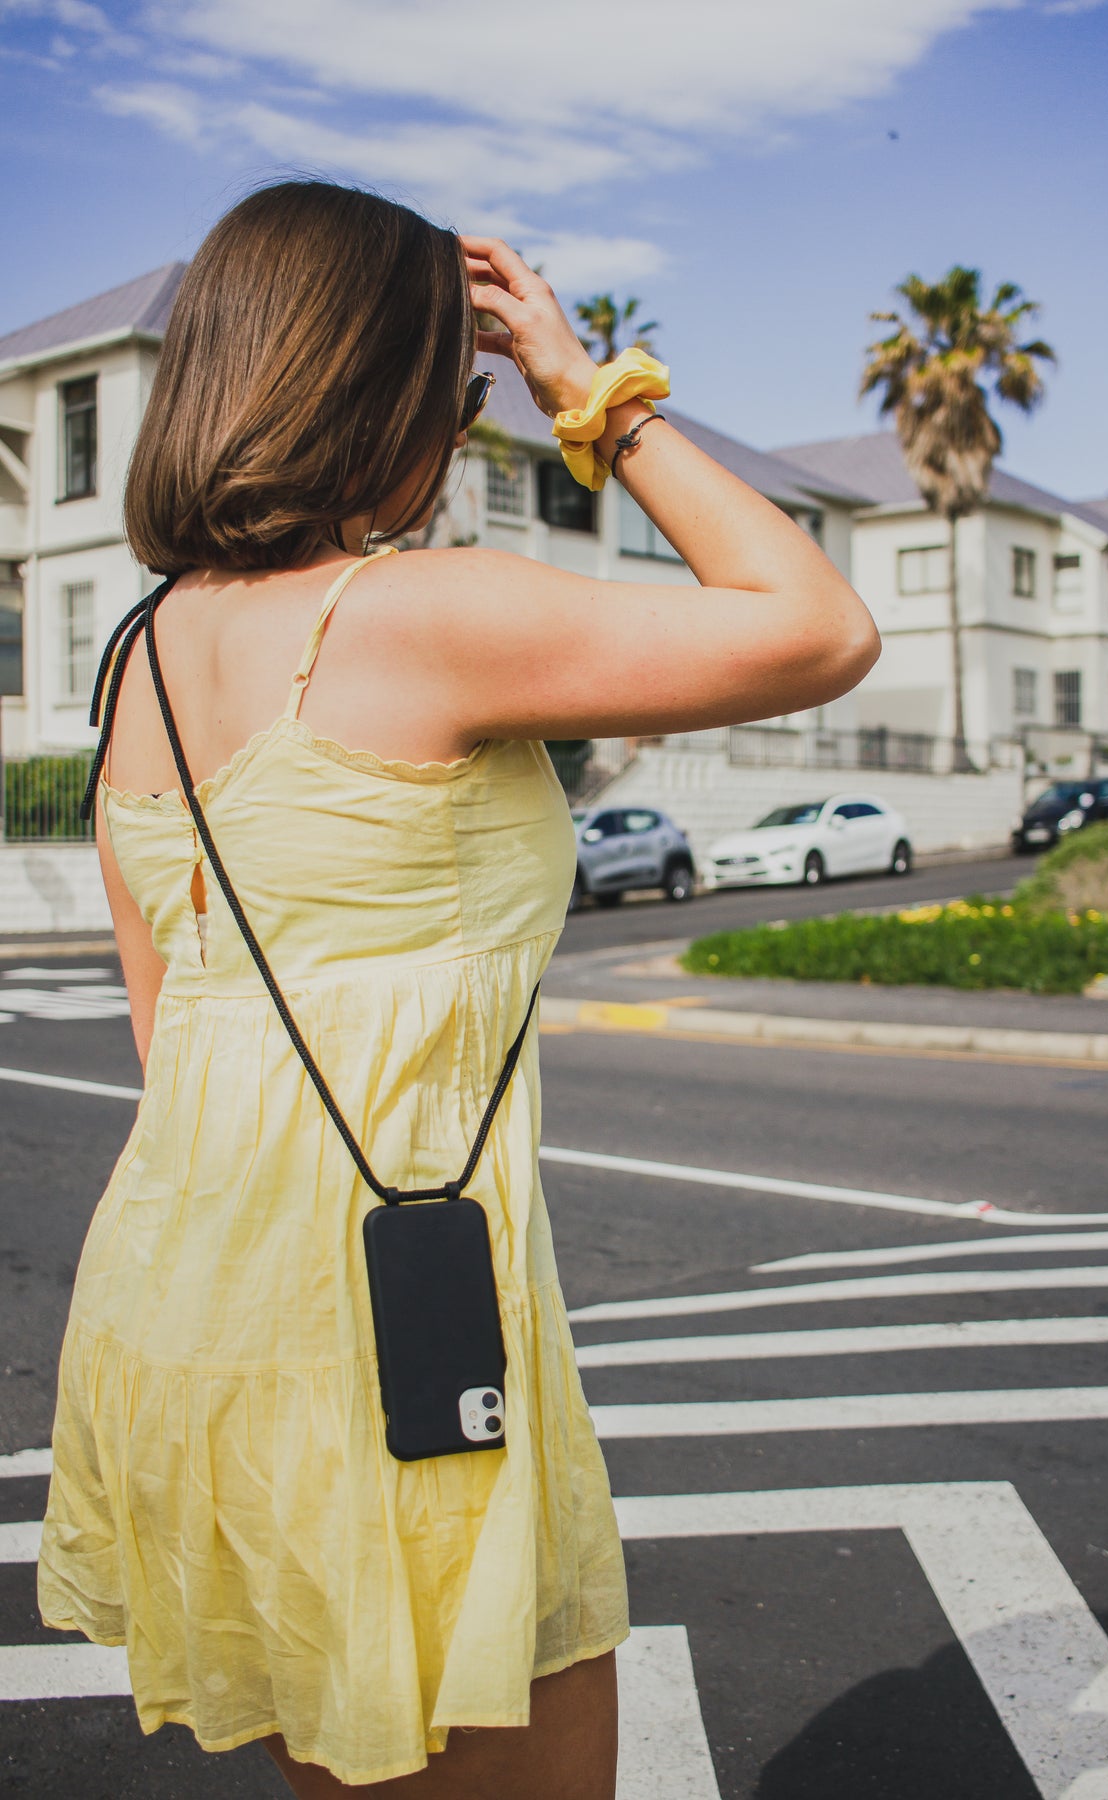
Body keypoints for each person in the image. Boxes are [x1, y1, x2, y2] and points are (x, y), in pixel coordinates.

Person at [37, 179, 879, 1798]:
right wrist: (588, 390)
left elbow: (172, 1030)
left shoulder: (138, 658)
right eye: (462, 391)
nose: (469, 427)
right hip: (390, 1319)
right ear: (376, 384)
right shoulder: (415, 613)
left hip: (193, 1306)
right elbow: (819, 625)